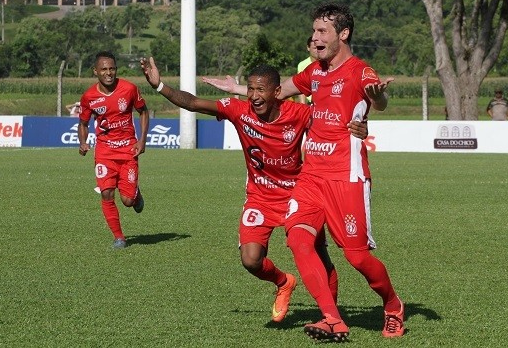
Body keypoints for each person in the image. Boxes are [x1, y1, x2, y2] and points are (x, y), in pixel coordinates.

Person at [205, 2, 404, 341]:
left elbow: (377, 99)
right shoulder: (314, 72)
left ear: (343, 34)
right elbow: (278, 91)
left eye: (322, 31)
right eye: (314, 31)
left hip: (346, 176)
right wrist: (238, 89)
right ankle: (332, 319)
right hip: (311, 176)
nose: (314, 37)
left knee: (356, 258)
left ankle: (392, 305)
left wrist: (378, 100)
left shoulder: (360, 71)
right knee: (298, 240)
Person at [141, 57, 369, 323]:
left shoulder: (299, 114)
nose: (254, 96)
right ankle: (284, 282)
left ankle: (330, 317)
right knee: (250, 260)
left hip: (299, 195)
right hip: (260, 197)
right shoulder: (239, 111)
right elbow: (192, 102)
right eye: (250, 89)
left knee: (319, 257)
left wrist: (361, 129)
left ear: (276, 92)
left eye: (260, 90)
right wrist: (159, 86)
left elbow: (335, 127)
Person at [78, 51, 149, 249]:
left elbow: (143, 112)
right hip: (104, 153)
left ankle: (135, 195)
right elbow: (83, 123)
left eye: (112, 69)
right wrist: (82, 142)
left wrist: (142, 140)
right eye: (104, 69)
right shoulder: (89, 97)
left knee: (127, 200)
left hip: (128, 150)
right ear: (95, 71)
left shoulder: (129, 89)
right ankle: (119, 237)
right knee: (107, 193)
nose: (108, 73)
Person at [296, 36, 317, 104]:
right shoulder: (302, 65)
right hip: (309, 102)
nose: (317, 50)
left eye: (319, 48)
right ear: (308, 48)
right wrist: (302, 104)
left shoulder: (327, 63)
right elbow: (300, 86)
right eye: (314, 48)